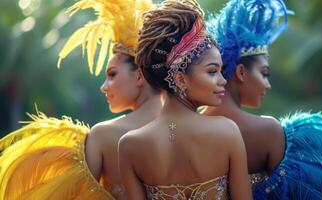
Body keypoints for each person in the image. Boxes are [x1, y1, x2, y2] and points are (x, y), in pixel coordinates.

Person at [0, 0, 161, 199]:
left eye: (112, 75)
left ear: (139, 76)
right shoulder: (197, 128)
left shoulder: (103, 135)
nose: (103, 87)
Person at [204, 0, 322, 199]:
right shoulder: (269, 131)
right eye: (264, 73)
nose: (267, 84)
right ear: (241, 72)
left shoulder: (185, 128)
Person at [118, 0, 252, 199]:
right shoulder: (227, 132)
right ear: (180, 79)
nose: (223, 80)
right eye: (213, 71)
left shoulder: (129, 145)